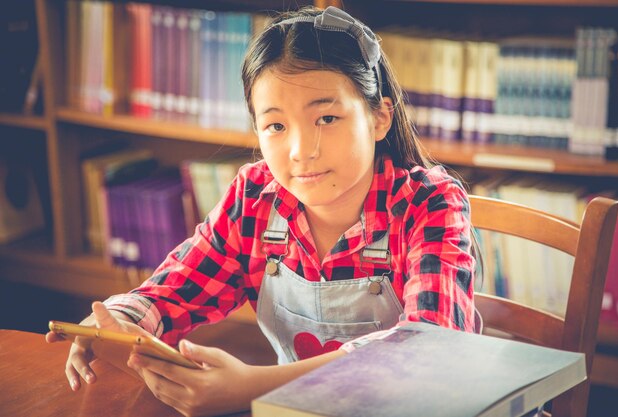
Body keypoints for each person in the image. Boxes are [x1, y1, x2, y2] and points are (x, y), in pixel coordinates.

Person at [46, 5, 476, 417]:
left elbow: (428, 350)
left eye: (326, 118)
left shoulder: (430, 203)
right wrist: (114, 321)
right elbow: (173, 291)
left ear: (379, 118)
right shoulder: (255, 197)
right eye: (275, 126)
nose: (300, 151)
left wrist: (253, 387)